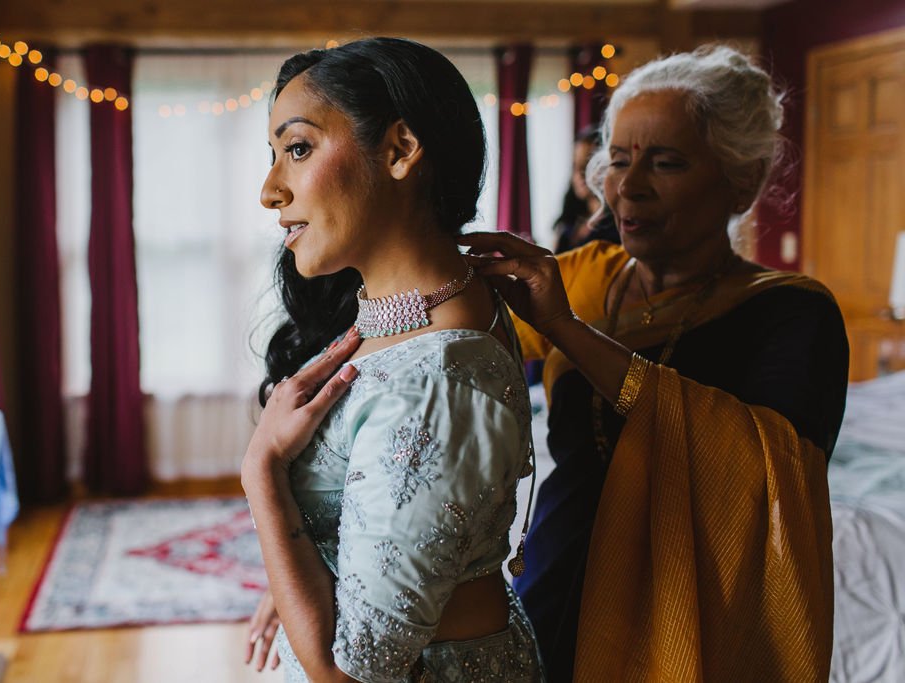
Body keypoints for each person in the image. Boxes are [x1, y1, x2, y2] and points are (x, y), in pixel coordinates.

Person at [460, 44, 849, 682]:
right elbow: (446, 344)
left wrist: (565, 329)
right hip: (561, 567)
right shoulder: (586, 277)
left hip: (693, 598)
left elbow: (763, 469)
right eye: (617, 160)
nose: (628, 186)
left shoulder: (791, 313)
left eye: (665, 162)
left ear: (742, 179)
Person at [241, 38, 544, 682]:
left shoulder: (440, 378)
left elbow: (348, 674)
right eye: (274, 156)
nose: (270, 190)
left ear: (401, 150)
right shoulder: (421, 304)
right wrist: (301, 574)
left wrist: (263, 474)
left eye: (297, 150)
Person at [551, 126, 619, 254]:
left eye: (588, 164)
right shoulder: (569, 222)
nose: (580, 173)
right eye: (575, 165)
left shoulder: (617, 225)